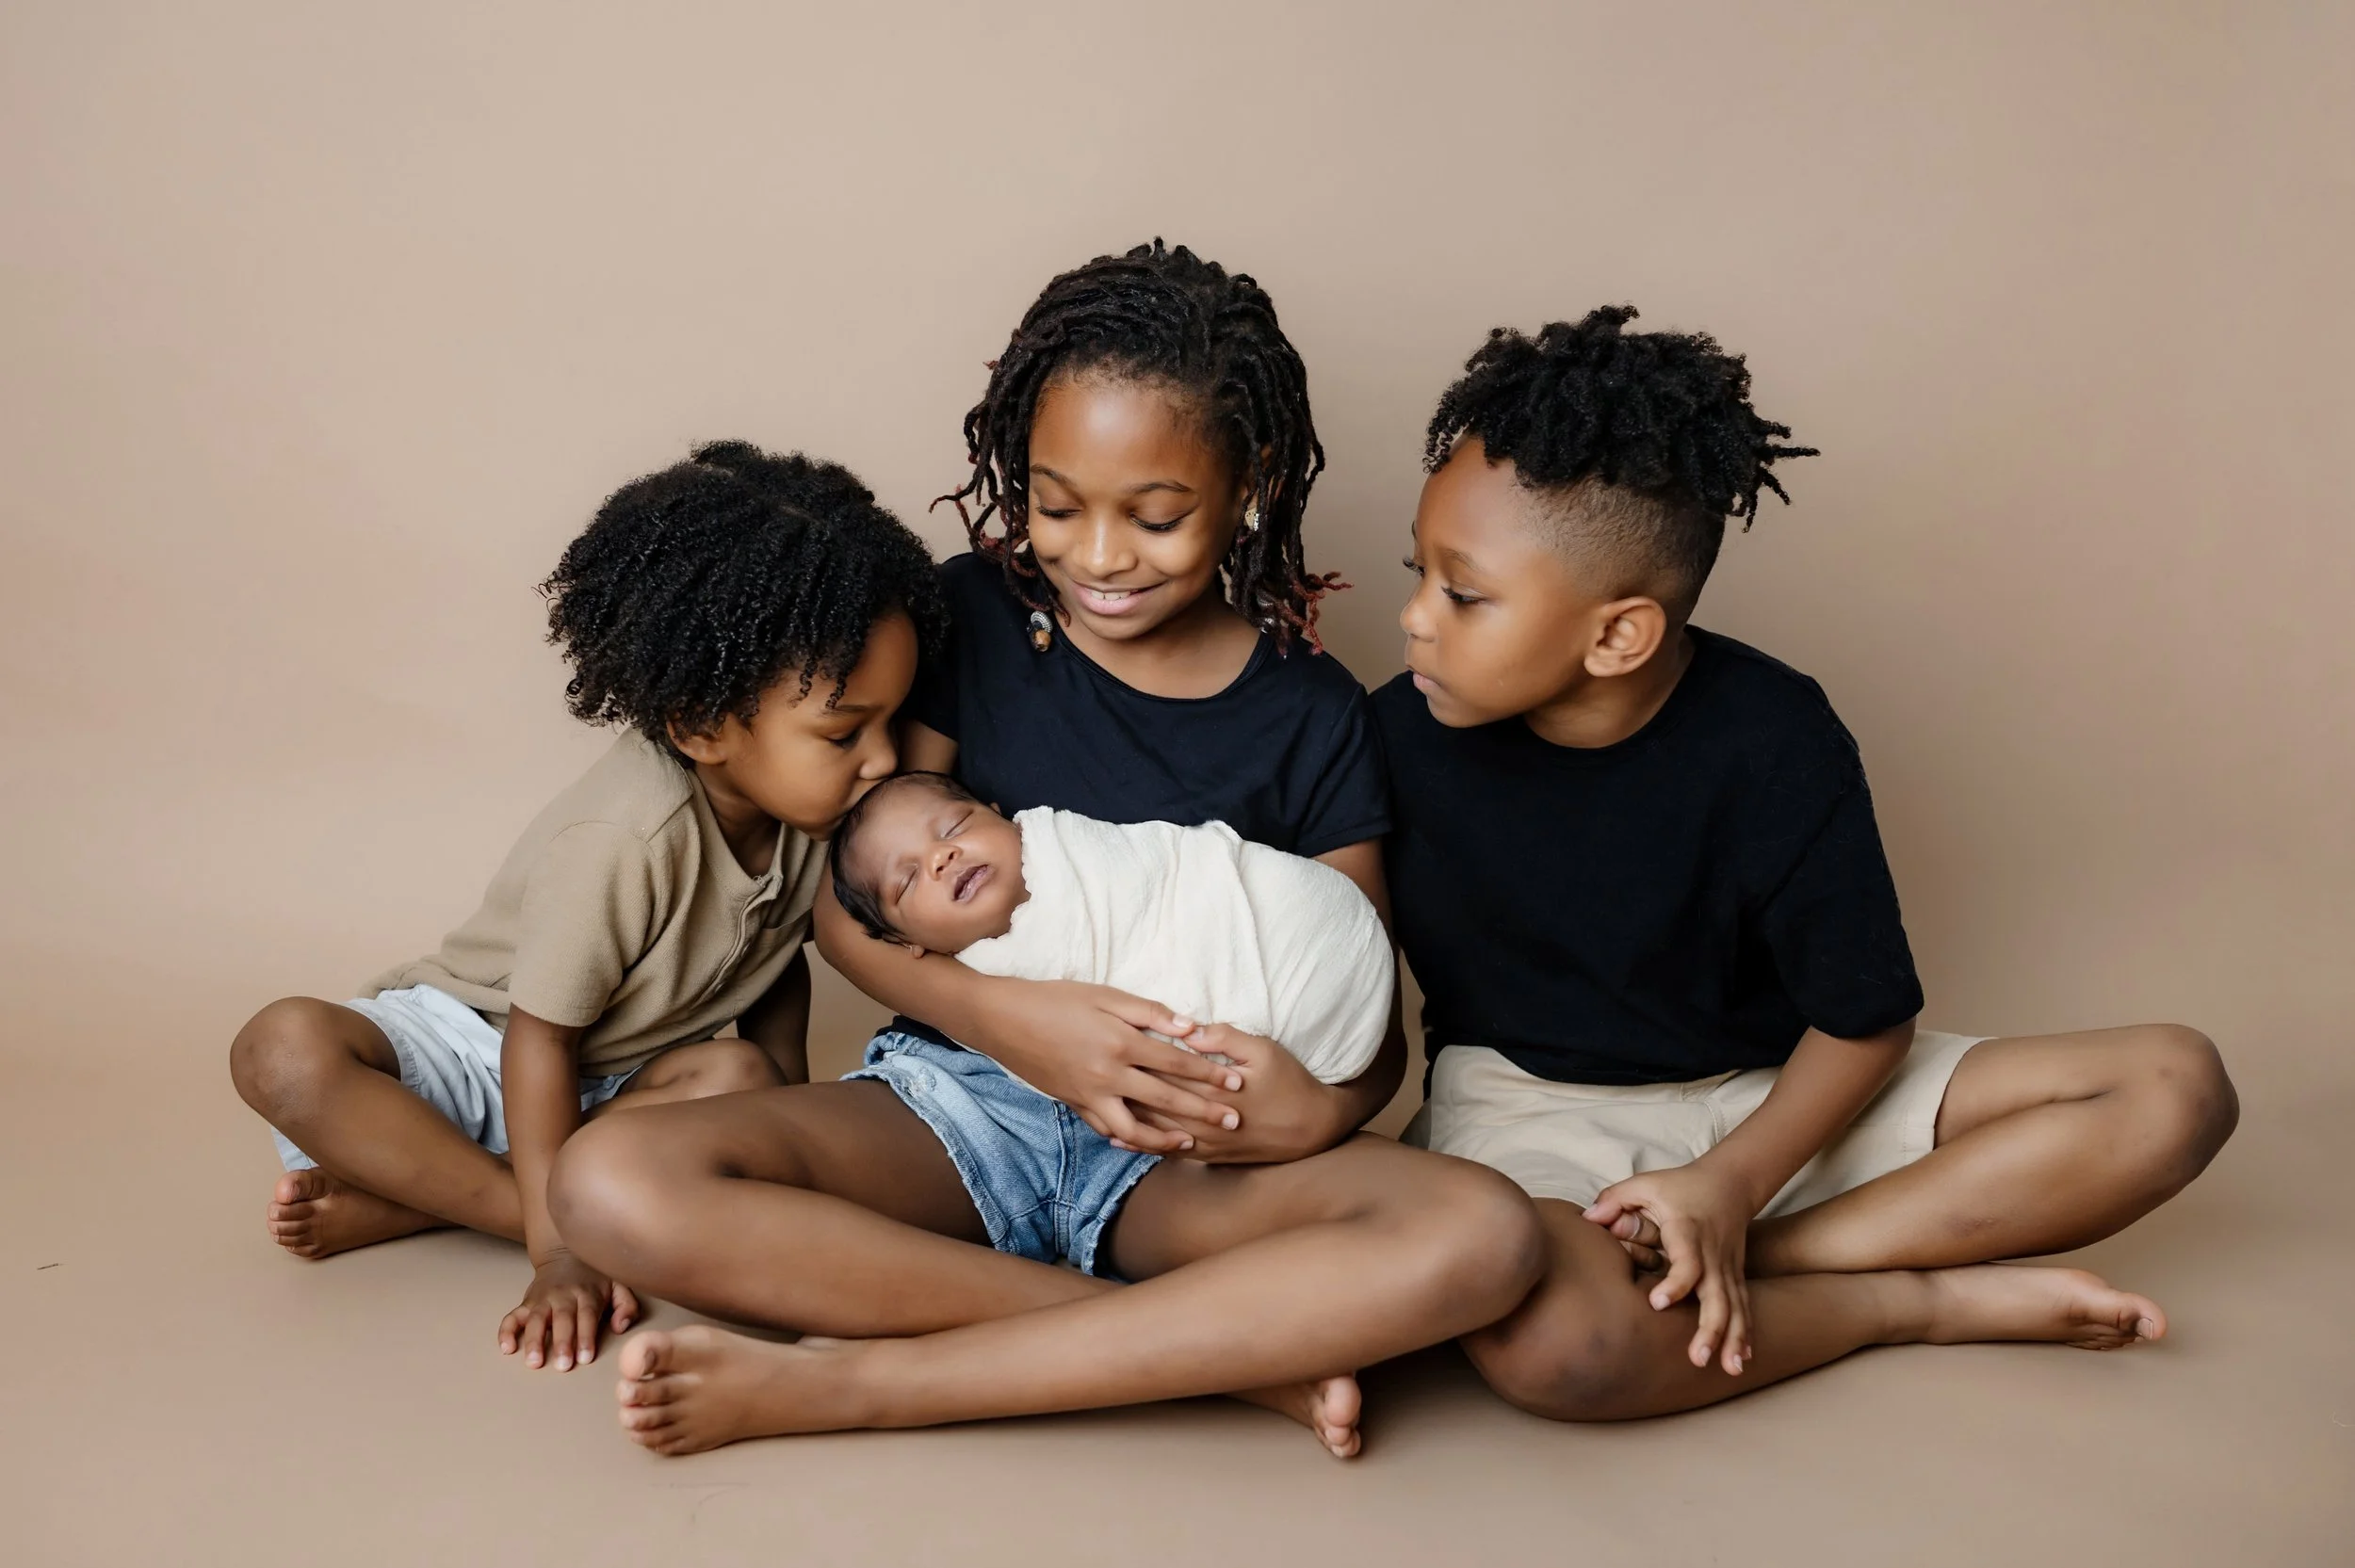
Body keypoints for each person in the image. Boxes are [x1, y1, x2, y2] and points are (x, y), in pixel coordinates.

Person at [549, 240, 1542, 1458]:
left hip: (1187, 1152)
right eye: (1055, 504)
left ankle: (855, 1381)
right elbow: (852, 895)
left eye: (1157, 514)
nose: (1099, 555)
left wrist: (1304, 1113)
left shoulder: (1316, 712)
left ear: (1250, 483)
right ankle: (1213, 1354)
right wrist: (1017, 1026)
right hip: (955, 1108)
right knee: (611, 1182)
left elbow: (1365, 1007)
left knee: (1487, 1233)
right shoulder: (970, 618)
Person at [1377, 308, 2240, 1418]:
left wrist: (1732, 1186)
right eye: (1419, 572)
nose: (1411, 619)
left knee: (2176, 1085)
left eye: (1461, 592)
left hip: (1775, 1104)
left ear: (1617, 635)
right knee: (1563, 1348)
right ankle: (1911, 1301)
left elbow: (1863, 1017)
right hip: (1533, 1114)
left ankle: (1757, 1252)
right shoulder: (1390, 739)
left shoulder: (1773, 734)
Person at [227, 442, 943, 1375]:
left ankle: (417, 1201)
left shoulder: (814, 814)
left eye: (891, 722)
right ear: (701, 726)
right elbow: (538, 1039)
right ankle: (532, 1209)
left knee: (744, 1080)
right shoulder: (627, 836)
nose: (883, 759)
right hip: (480, 1052)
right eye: (846, 732)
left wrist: (783, 1128)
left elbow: (774, 974)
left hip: (619, 1090)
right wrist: (558, 1251)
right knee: (281, 1047)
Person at [826, 771, 1392, 1085]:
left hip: (1301, 925)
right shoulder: (981, 984)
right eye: (907, 882)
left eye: (954, 826)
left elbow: (1164, 874)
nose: (942, 857)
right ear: (908, 944)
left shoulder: (1070, 847)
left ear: (1002, 815)